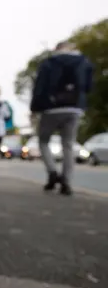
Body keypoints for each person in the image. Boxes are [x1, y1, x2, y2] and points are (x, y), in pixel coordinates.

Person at [30, 41, 93, 195]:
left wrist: (34, 108)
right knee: (68, 145)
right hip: (74, 108)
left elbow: (40, 86)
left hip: (51, 108)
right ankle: (66, 181)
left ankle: (52, 171)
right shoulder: (84, 62)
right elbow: (89, 86)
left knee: (43, 141)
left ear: (57, 49)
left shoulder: (49, 64)